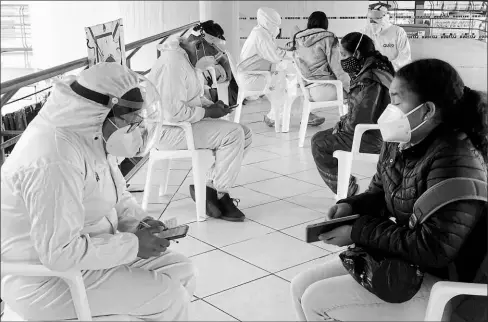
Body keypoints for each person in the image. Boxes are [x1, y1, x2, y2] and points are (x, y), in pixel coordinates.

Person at [291, 58, 488, 321]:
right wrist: (351, 206)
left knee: (316, 300)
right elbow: (380, 193)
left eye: (395, 100)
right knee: (300, 287)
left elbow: (433, 249)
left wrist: (356, 231)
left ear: (427, 110)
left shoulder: (456, 159)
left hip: (443, 281)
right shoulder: (401, 141)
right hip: (407, 262)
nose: (388, 109)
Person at [0, 63, 196, 321]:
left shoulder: (92, 136)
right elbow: (59, 253)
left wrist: (141, 221)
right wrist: (134, 245)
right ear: (99, 113)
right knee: (168, 296)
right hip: (45, 280)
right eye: (128, 121)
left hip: (93, 251)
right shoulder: (55, 160)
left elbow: (118, 196)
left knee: (182, 269)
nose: (135, 128)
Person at [147, 34, 252, 222]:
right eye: (212, 52)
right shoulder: (173, 64)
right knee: (234, 134)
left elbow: (193, 98)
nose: (214, 59)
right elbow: (173, 112)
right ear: (198, 44)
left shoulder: (187, 62)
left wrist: (211, 105)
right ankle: (219, 194)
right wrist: (208, 112)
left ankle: (209, 188)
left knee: (245, 133)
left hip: (183, 125)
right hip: (168, 131)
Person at [311, 32, 394, 197]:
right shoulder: (381, 67)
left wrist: (341, 126)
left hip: (370, 137)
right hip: (385, 132)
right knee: (326, 135)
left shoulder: (369, 79)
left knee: (318, 142)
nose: (342, 60)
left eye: (343, 54)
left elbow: (359, 120)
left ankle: (346, 189)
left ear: (356, 54)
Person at [238, 7, 295, 128]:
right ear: (268, 23)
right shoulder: (261, 35)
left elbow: (273, 52)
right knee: (284, 80)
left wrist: (287, 53)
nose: (277, 29)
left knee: (283, 74)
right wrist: (295, 55)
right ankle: (274, 117)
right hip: (251, 79)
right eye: (275, 25)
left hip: (252, 75)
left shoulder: (260, 32)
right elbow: (276, 56)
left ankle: (275, 116)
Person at [291, 11, 350, 126]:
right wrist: (350, 87)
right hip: (326, 90)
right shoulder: (328, 38)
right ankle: (351, 125)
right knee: (356, 92)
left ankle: (308, 116)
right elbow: (338, 68)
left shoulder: (298, 39)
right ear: (325, 23)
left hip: (307, 91)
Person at [190, 20, 239, 105]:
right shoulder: (205, 46)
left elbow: (224, 59)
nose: (213, 42)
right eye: (213, 39)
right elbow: (225, 62)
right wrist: (229, 76)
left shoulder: (201, 42)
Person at [361, 2, 411, 71]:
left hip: (393, 72)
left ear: (386, 17)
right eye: (371, 18)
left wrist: (388, 66)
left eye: (377, 17)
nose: (373, 21)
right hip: (371, 71)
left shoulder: (398, 31)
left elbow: (405, 56)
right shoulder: (366, 31)